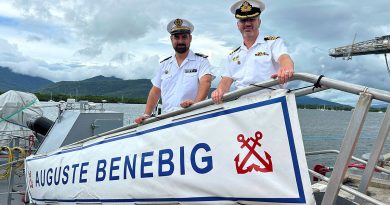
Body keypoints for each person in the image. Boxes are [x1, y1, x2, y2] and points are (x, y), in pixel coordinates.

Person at [211, 0, 294, 104]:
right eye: (243, 20)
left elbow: (284, 58)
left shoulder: (273, 43)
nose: (247, 23)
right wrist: (219, 91)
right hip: (242, 105)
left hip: (272, 101)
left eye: (251, 19)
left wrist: (286, 69)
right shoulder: (233, 55)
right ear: (238, 25)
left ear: (259, 22)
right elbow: (226, 80)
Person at [135, 18, 213, 124]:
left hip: (193, 117)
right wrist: (146, 115)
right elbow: (155, 92)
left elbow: (206, 82)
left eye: (184, 37)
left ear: (190, 38)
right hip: (168, 120)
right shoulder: (164, 65)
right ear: (171, 39)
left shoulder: (201, 61)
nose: (180, 41)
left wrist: (196, 104)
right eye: (176, 37)